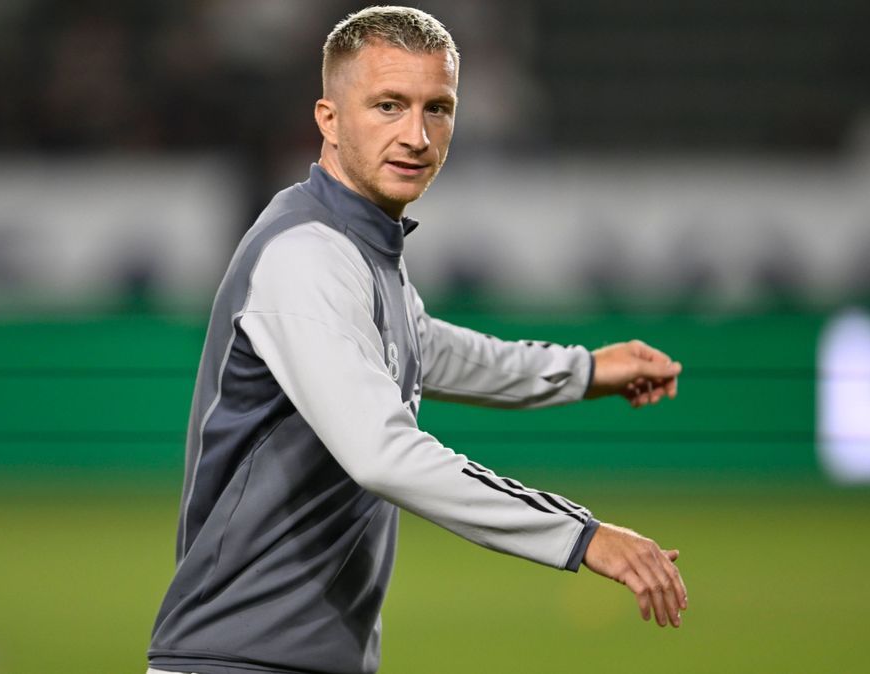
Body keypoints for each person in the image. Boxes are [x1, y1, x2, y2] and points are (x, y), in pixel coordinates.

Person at [147, 7, 687, 674]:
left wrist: (583, 371)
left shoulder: (361, 247)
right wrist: (583, 536)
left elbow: (427, 346)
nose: (417, 135)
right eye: (388, 105)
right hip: (237, 660)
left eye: (438, 108)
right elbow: (383, 454)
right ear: (329, 119)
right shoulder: (306, 255)